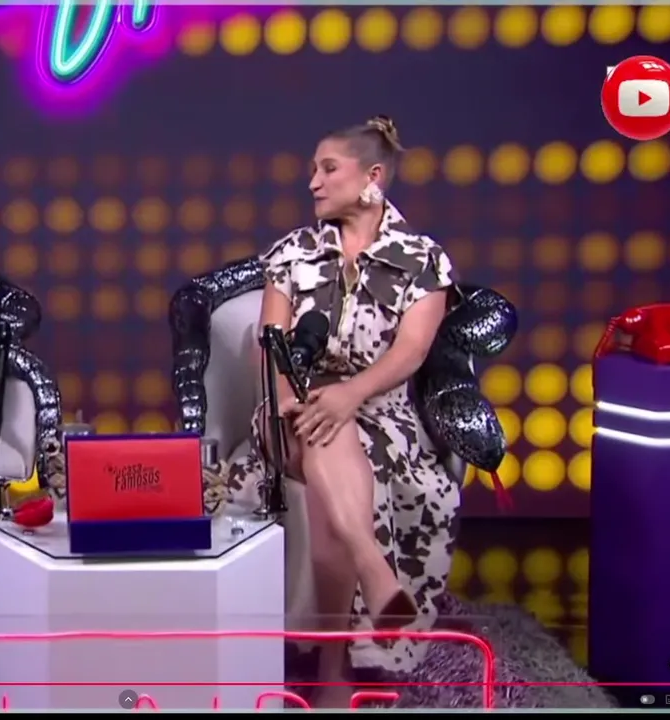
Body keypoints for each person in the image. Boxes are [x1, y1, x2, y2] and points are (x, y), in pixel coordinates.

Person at [250, 116, 460, 700]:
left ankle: (332, 670)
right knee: (321, 426)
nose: (313, 182)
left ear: (372, 177)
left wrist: (349, 394)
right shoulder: (292, 254)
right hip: (291, 412)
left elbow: (411, 351)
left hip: (382, 418)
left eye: (328, 169)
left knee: (333, 450)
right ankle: (368, 573)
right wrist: (290, 400)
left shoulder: (422, 260)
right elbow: (270, 345)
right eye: (312, 170)